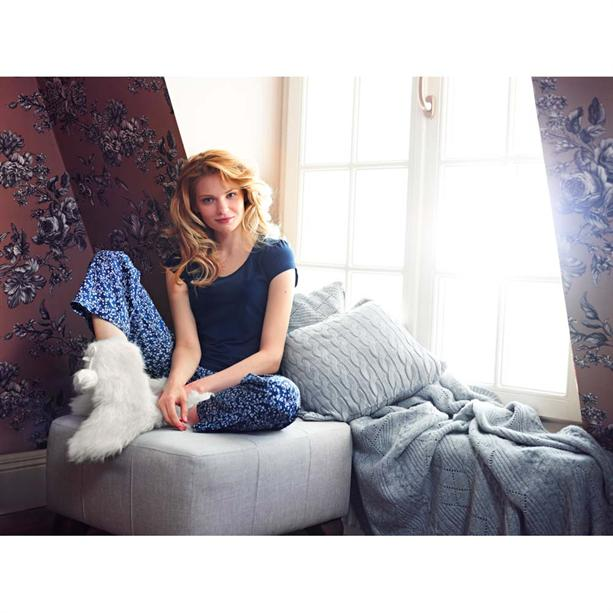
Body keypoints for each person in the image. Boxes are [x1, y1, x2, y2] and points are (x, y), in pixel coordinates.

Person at [70, 149, 300, 434]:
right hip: (184, 367)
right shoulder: (183, 263)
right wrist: (175, 384)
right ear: (195, 207)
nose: (223, 209)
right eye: (208, 200)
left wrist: (192, 390)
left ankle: (177, 412)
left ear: (246, 195)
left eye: (230, 195)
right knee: (109, 261)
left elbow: (271, 357)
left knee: (284, 395)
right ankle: (120, 388)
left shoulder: (275, 254)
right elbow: (188, 345)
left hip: (238, 384)